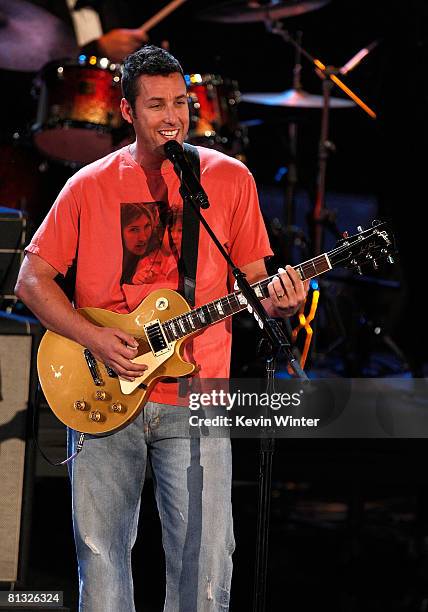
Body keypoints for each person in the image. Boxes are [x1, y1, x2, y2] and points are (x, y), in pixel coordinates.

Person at [15, 45, 309, 611]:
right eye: (156, 105)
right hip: (103, 386)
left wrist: (281, 305)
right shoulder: (87, 186)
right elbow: (33, 280)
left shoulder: (229, 179)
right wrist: (95, 338)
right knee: (101, 556)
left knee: (205, 560)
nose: (172, 115)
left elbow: (255, 286)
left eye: (180, 102)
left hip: (198, 395)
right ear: (128, 112)